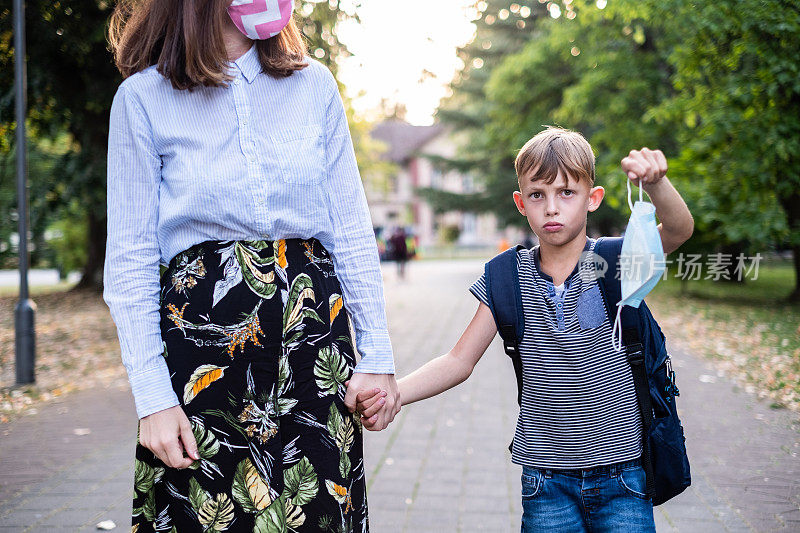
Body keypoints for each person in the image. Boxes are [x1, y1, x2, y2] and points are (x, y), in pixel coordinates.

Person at [103, 1, 399, 530]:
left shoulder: (314, 87)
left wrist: (376, 357)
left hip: (313, 343)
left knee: (316, 514)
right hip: (203, 358)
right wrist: (152, 400)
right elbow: (130, 263)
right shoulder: (143, 99)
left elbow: (350, 232)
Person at [354, 127, 694, 531]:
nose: (552, 207)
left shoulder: (618, 260)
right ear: (521, 203)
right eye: (538, 194)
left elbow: (678, 231)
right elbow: (459, 360)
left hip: (624, 477)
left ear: (593, 198)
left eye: (566, 192)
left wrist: (656, 184)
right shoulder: (506, 278)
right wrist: (395, 395)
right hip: (545, 484)